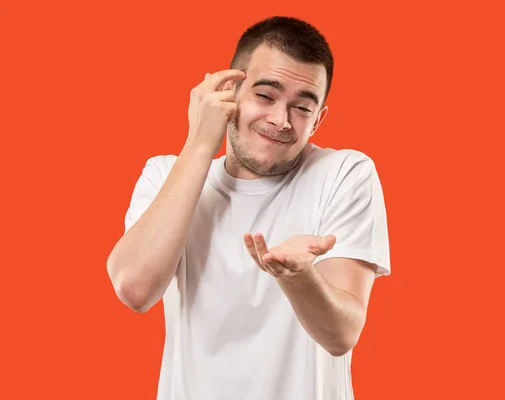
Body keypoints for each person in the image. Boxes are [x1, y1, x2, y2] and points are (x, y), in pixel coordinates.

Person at [107, 15, 391, 400]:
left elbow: (342, 335)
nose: (280, 120)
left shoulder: (343, 174)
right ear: (229, 92)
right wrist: (201, 140)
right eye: (265, 95)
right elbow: (134, 288)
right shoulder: (164, 176)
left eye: (301, 107)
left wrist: (299, 277)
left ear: (319, 120)